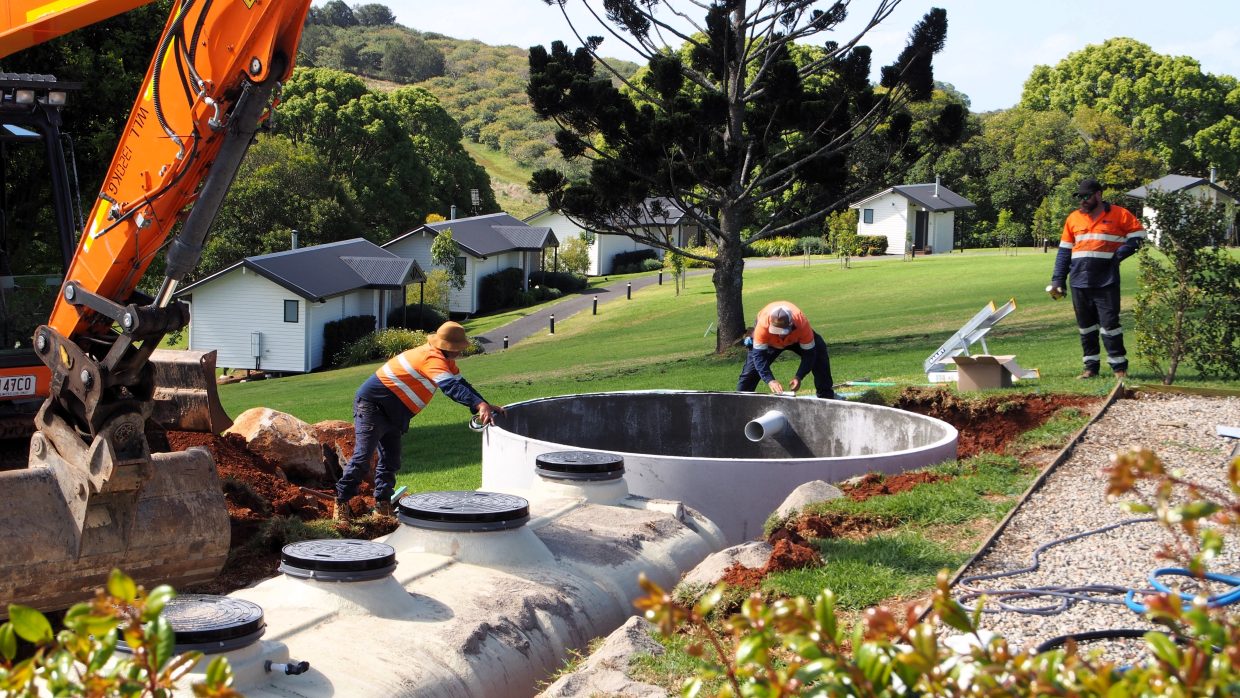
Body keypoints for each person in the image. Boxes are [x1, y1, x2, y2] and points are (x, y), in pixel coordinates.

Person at [334, 321, 502, 521]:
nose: (460, 352)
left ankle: (382, 506)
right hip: (372, 407)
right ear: (450, 347)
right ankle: (341, 504)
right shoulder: (431, 358)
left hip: (393, 412)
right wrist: (479, 406)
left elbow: (461, 384)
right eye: (459, 348)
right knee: (363, 458)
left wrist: (482, 404)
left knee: (390, 461)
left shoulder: (443, 359)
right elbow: (451, 388)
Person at [1047, 177, 1145, 380]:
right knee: (1086, 327)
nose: (1082, 201)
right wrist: (1057, 280)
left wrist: (1119, 255)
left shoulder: (1119, 214)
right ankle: (1090, 368)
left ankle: (1119, 369)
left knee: (1110, 325)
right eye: (1080, 197)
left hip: (1106, 281)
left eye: (1086, 196)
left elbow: (1139, 236)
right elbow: (1064, 253)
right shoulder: (1073, 218)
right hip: (1079, 281)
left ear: (1099, 195)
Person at [736, 301, 836, 399]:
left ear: (791, 323)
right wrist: (770, 380)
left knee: (819, 354)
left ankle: (826, 397)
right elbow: (758, 358)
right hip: (770, 342)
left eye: (783, 331)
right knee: (750, 373)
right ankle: (740, 401)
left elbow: (809, 355)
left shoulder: (802, 324)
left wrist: (799, 377)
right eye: (776, 331)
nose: (780, 335)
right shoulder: (762, 327)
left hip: (795, 338)